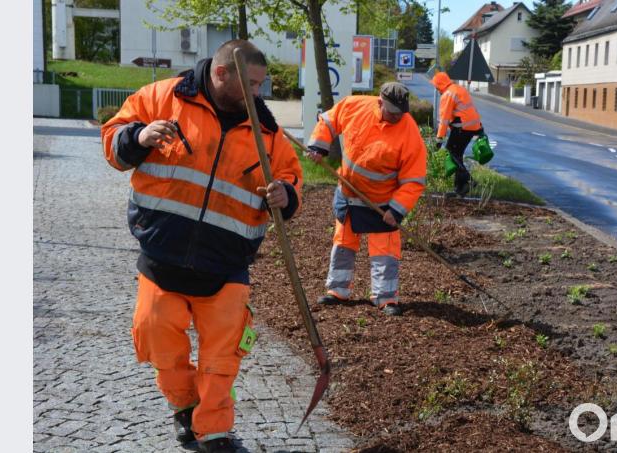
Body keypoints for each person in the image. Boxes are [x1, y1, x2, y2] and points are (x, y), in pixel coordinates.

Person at [101, 40, 302, 453]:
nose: (258, 94)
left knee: (222, 358)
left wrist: (286, 196)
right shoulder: (162, 98)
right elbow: (113, 142)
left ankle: (214, 433)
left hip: (227, 265)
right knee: (157, 339)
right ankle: (186, 405)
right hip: (162, 255)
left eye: (262, 85)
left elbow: (291, 179)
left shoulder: (267, 132)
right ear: (221, 73)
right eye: (251, 84)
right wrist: (138, 137)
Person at [305, 83, 427, 316]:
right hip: (348, 194)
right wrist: (318, 147)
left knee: (385, 252)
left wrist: (397, 210)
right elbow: (329, 121)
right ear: (379, 102)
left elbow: (413, 180)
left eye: (401, 113)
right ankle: (338, 290)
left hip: (382, 203)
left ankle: (385, 298)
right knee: (343, 244)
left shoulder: (409, 132)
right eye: (392, 112)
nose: (396, 117)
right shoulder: (355, 106)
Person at [431, 71, 485, 196]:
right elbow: (471, 109)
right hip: (471, 127)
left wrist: (439, 139)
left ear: (440, 85)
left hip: (462, 128)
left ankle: (469, 180)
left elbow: (444, 119)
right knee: (457, 155)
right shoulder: (459, 89)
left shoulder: (447, 94)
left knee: (450, 151)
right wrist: (479, 128)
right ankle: (460, 189)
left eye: (436, 86)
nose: (436, 89)